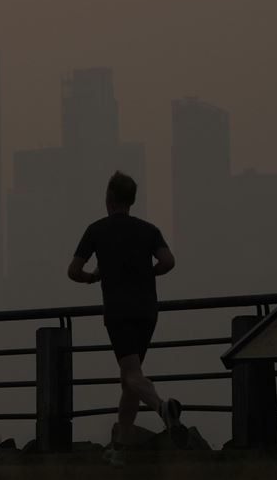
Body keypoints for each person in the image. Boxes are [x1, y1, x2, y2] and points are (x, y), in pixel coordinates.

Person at [69, 171, 186, 463]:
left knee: (132, 375)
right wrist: (148, 273)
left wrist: (91, 278)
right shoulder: (148, 230)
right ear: (131, 200)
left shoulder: (96, 230)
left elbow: (73, 270)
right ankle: (120, 449)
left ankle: (163, 408)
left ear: (109, 199)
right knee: (129, 380)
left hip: (119, 311)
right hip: (147, 310)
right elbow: (168, 261)